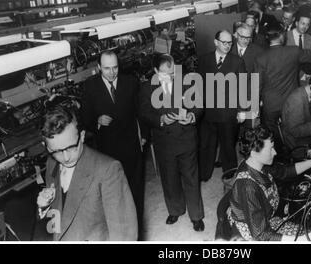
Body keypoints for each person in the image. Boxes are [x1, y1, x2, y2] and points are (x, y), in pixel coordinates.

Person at [37, 106, 138, 241]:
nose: (66, 157)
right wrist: (44, 206)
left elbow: (124, 234)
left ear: (82, 136)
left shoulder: (108, 169)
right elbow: (58, 222)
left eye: (71, 147)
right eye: (57, 151)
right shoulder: (51, 163)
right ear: (47, 147)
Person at [228, 125, 311, 241]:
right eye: (270, 149)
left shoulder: (260, 164)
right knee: (307, 236)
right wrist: (299, 240)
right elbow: (260, 234)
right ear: (254, 153)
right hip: (255, 234)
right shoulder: (247, 186)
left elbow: (286, 171)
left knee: (307, 231)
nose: (275, 152)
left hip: (267, 219)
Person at [80, 50, 144, 235]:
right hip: (107, 152)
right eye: (106, 68)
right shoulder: (90, 87)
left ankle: (137, 231)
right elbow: (85, 119)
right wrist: (97, 122)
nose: (111, 72)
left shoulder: (130, 82)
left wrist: (144, 136)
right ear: (99, 67)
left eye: (115, 67)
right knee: (113, 196)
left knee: (135, 192)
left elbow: (140, 111)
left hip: (132, 147)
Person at [138, 54, 205, 232]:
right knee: (169, 178)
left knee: (191, 178)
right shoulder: (146, 88)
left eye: (173, 72)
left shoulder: (187, 81)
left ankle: (196, 216)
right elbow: (143, 113)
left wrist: (192, 116)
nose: (171, 76)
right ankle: (175, 210)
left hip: (186, 138)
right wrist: (160, 120)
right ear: (155, 71)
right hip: (164, 141)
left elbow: (199, 104)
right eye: (165, 73)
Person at [254, 26, 311, 149]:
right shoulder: (293, 51)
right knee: (294, 130)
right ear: (282, 36)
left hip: (271, 105)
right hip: (292, 100)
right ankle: (293, 151)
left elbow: (256, 85)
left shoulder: (260, 58)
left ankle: (279, 155)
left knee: (274, 135)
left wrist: (253, 108)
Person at [197, 30, 247, 182]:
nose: (227, 46)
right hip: (207, 112)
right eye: (224, 42)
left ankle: (230, 175)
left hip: (228, 112)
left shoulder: (237, 61)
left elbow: (243, 87)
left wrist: (242, 110)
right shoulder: (204, 59)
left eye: (230, 43)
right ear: (216, 42)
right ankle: (204, 174)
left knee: (227, 147)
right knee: (206, 144)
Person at [281, 74, 311, 150]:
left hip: (307, 133)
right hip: (297, 142)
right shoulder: (297, 101)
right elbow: (294, 131)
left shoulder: (308, 93)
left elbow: (310, 114)